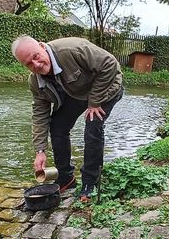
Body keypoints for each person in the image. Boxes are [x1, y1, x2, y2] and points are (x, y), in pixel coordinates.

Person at [12, 35, 124, 202]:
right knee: (58, 127)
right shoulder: (35, 82)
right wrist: (40, 151)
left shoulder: (72, 49)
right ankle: (66, 178)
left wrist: (94, 103)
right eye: (29, 63)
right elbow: (40, 114)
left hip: (107, 85)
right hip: (77, 93)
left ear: (42, 46)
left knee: (93, 124)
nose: (36, 64)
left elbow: (110, 63)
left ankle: (90, 182)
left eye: (36, 56)